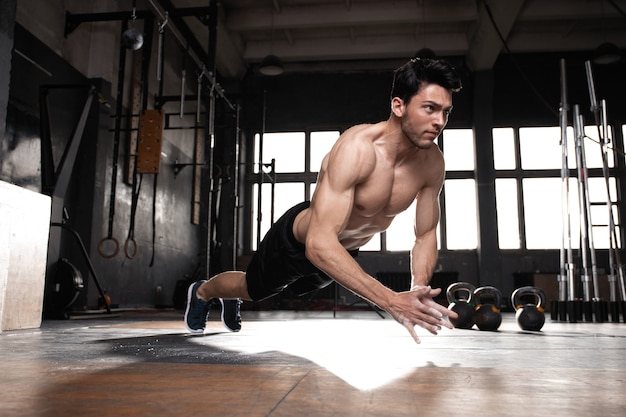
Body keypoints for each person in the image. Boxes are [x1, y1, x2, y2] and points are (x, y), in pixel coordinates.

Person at [185, 57, 462, 344]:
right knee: (253, 289)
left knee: (295, 289)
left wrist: (418, 289)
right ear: (398, 106)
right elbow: (318, 245)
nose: (439, 121)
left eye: (446, 112)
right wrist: (391, 300)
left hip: (342, 251)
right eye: (429, 108)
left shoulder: (432, 163)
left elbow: (426, 233)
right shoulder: (357, 149)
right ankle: (204, 292)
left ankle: (227, 295)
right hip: (300, 242)